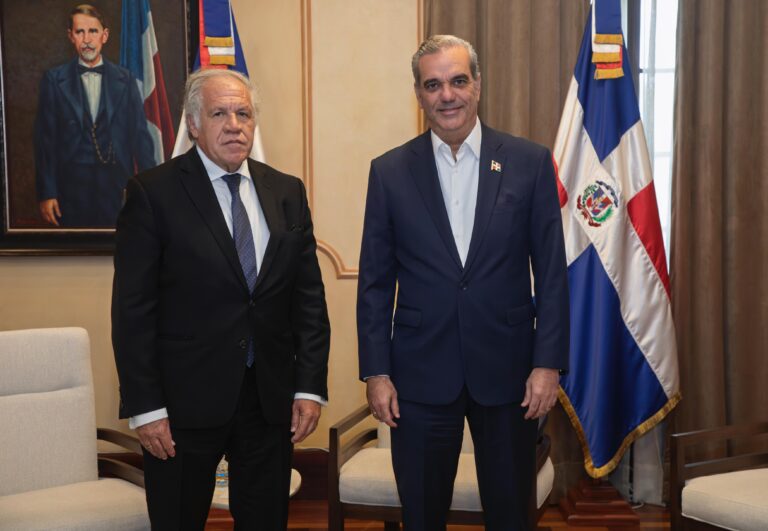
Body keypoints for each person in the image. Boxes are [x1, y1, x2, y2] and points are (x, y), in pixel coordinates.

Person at [357, 35, 569, 530]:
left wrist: (548, 363)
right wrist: (376, 371)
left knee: (511, 512)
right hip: (419, 374)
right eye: (433, 85)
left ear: (477, 84)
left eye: (457, 81)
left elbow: (553, 274)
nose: (446, 95)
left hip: (510, 372)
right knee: (423, 512)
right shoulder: (389, 172)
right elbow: (374, 281)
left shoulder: (529, 162)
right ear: (418, 93)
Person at [112, 68, 330, 530]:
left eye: (243, 113)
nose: (235, 124)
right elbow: (133, 312)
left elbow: (308, 298)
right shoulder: (153, 193)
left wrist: (308, 386)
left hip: (269, 401)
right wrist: (146, 409)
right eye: (219, 113)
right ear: (193, 124)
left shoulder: (286, 191)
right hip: (181, 407)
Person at [34, 4, 156, 228]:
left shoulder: (126, 79)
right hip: (70, 186)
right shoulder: (53, 79)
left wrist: (152, 190)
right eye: (80, 32)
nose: (87, 39)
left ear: (105, 35)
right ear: (71, 36)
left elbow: (140, 138)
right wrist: (47, 192)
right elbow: (46, 142)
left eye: (93, 31)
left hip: (116, 184)